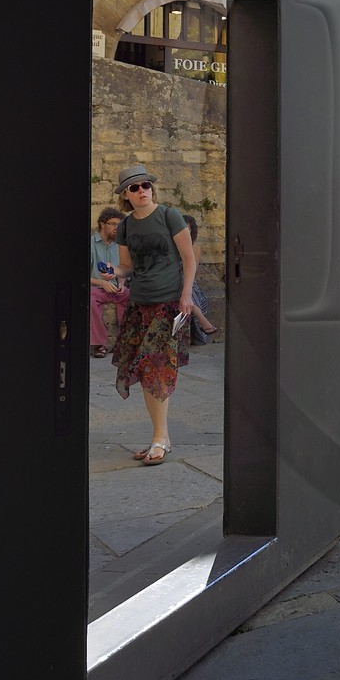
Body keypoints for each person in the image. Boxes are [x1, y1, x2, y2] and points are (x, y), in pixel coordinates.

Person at [110, 165, 197, 467]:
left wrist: (186, 294)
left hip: (168, 303)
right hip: (140, 303)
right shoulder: (125, 226)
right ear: (125, 195)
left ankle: (160, 439)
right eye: (134, 188)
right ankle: (160, 437)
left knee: (155, 367)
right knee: (147, 369)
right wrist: (114, 276)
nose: (141, 190)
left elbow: (189, 258)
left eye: (145, 185)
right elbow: (126, 266)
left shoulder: (169, 216)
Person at [89, 206, 130, 359]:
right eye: (113, 224)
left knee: (133, 298)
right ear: (102, 224)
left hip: (115, 289)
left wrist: (121, 284)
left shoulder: (120, 245)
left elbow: (124, 268)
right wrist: (102, 282)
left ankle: (125, 341)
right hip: (95, 288)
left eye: (119, 225)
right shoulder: (91, 243)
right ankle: (99, 344)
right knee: (90, 302)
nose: (116, 228)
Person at [184, 214, 218, 344]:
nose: (186, 231)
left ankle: (202, 323)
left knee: (191, 294)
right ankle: (204, 322)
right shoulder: (173, 245)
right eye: (183, 228)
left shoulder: (195, 247)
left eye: (188, 229)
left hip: (189, 280)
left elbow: (193, 269)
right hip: (173, 279)